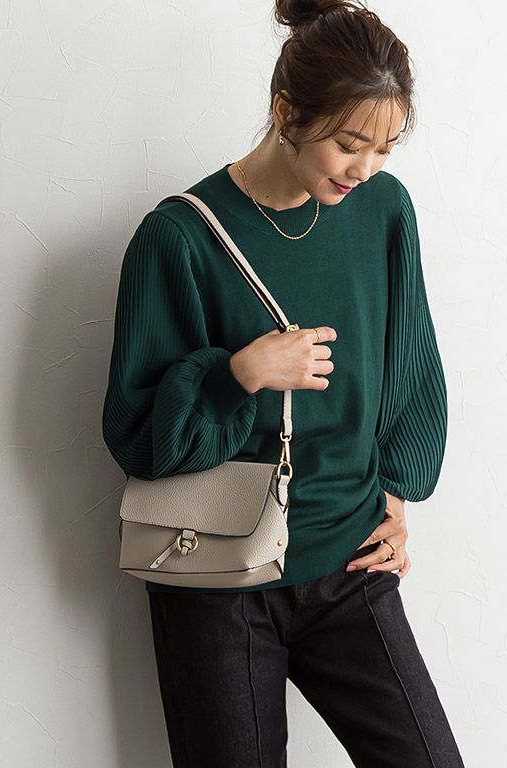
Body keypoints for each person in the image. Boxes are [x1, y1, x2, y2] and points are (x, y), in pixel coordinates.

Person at [101, 1, 467, 766]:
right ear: (285, 111)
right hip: (217, 578)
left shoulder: (383, 211)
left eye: (385, 148)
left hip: (348, 560)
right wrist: (239, 374)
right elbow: (137, 437)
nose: (365, 169)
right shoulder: (180, 237)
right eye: (348, 144)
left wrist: (395, 497)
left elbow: (411, 363)